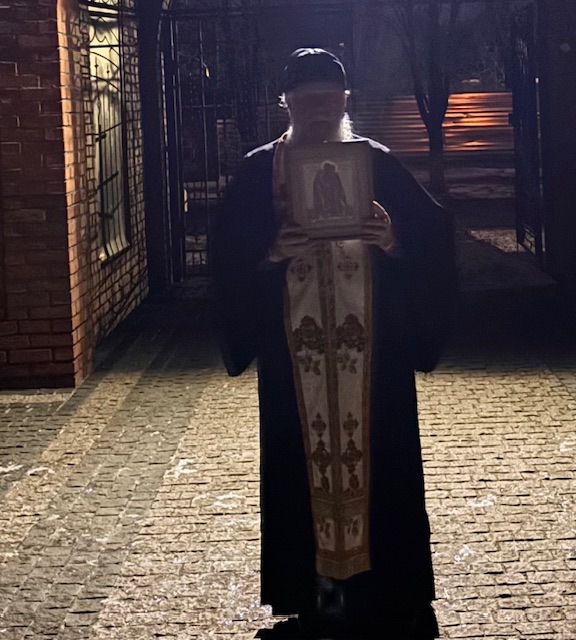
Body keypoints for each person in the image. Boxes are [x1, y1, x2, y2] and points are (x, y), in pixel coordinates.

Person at [212, 48, 457, 639]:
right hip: (293, 359)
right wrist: (272, 253)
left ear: (346, 100)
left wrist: (393, 239)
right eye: (306, 101)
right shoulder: (258, 173)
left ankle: (392, 596)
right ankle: (313, 600)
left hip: (376, 358)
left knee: (386, 467)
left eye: (329, 99)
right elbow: (225, 261)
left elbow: (434, 238)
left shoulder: (377, 163)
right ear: (287, 105)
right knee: (298, 470)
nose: (319, 111)